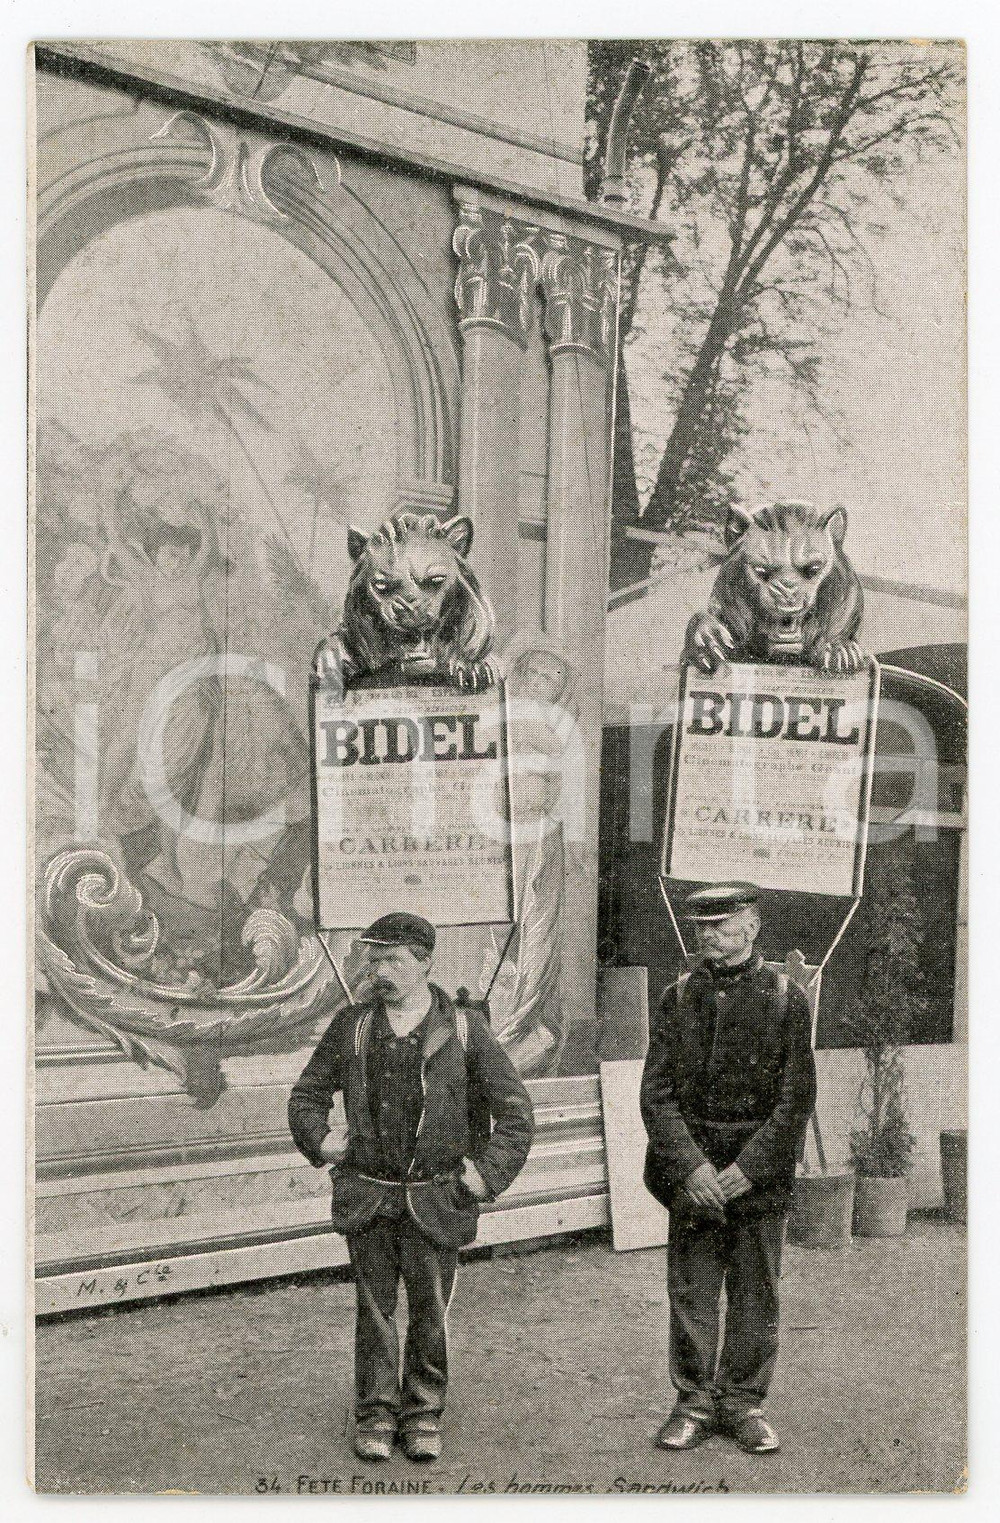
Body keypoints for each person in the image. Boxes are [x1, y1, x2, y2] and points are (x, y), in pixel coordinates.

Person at [288, 912, 534, 1464]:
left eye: (395, 960)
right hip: (369, 1194)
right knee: (374, 1310)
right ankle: (375, 1412)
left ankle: (423, 1412)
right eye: (375, 960)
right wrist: (321, 1141)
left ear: (426, 963)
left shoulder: (466, 1030)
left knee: (429, 1310)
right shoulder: (351, 1026)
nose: (382, 971)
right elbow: (307, 1095)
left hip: (436, 1197)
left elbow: (516, 1114)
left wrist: (484, 1175)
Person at [640, 883, 817, 1456]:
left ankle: (744, 1404)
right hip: (692, 1176)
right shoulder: (676, 998)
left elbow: (796, 1098)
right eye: (701, 926)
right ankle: (692, 1402)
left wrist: (751, 1167)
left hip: (756, 1178)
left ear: (752, 925)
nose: (708, 935)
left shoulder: (787, 997)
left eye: (720, 924)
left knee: (755, 1293)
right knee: (691, 1289)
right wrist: (690, 1167)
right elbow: (656, 1095)